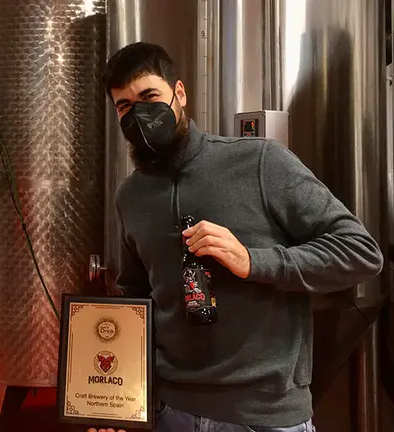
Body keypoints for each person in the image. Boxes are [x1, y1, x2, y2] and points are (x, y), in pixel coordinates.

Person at [89, 42, 383, 432]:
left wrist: (253, 260)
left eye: (149, 96)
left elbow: (360, 252)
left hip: (265, 416)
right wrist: (117, 400)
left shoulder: (261, 162)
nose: (139, 115)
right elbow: (135, 299)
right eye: (125, 106)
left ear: (179, 93)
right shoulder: (131, 195)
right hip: (169, 411)